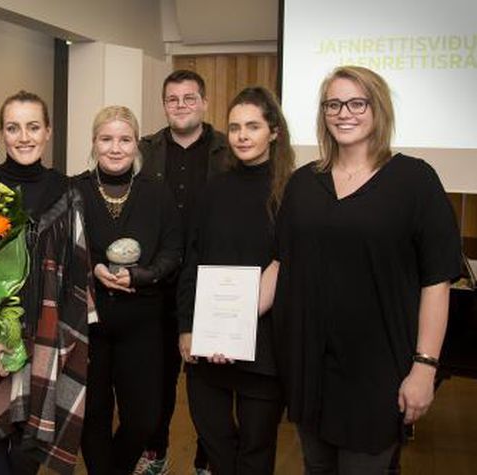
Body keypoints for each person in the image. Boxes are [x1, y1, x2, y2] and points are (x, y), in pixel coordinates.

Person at [272, 65, 462, 474]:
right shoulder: (303, 184)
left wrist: (424, 367)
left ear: (378, 110)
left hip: (377, 374)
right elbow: (282, 265)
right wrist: (221, 321)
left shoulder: (415, 181)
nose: (345, 113)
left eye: (357, 103)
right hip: (309, 370)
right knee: (316, 468)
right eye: (333, 104)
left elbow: (436, 281)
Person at [0, 90, 94, 475]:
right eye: (13, 128)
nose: (23, 137)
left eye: (32, 127)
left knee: (27, 453)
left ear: (47, 132)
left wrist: (62, 345)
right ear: (1, 134)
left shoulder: (67, 190)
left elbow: (78, 273)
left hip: (44, 342)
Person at [177, 86, 294, 474]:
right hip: (207, 343)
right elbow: (192, 260)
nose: (242, 136)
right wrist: (187, 328)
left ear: (273, 132)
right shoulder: (213, 189)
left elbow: (289, 268)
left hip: (264, 350)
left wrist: (237, 325)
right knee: (217, 447)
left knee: (255, 453)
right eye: (235, 127)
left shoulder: (291, 192)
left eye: (253, 126)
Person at [76, 106, 183, 474]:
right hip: (88, 325)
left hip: (143, 322)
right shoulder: (75, 190)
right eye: (106, 139)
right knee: (93, 416)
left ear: (136, 144)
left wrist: (142, 275)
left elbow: (173, 250)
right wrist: (94, 269)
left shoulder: (157, 192)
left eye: (124, 139)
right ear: (94, 143)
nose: (116, 148)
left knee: (145, 418)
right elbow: (63, 252)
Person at [136, 69, 230, 474]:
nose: (180, 106)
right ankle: (155, 452)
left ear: (204, 103)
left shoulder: (227, 150)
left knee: (209, 385)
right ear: (164, 105)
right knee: (155, 380)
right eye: (172, 99)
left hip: (210, 283)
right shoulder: (146, 149)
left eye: (189, 98)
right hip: (157, 282)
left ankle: (207, 461)